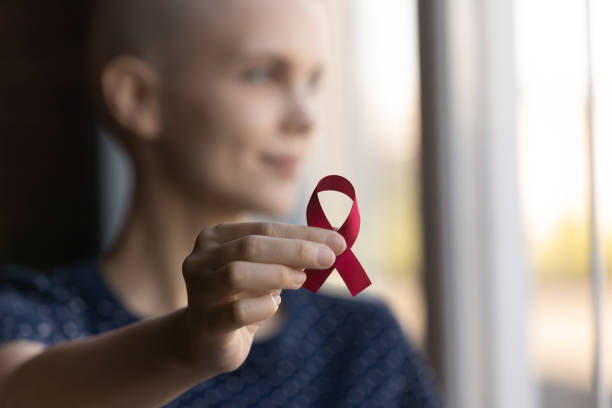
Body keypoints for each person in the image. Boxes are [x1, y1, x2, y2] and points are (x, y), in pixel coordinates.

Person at [0, 0, 442, 406]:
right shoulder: (31, 317)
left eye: (311, 81)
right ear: (137, 98)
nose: (306, 119)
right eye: (262, 74)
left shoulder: (363, 344)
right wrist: (185, 345)